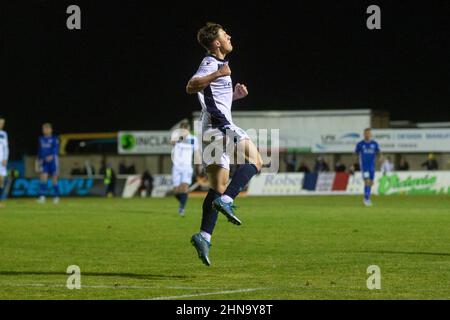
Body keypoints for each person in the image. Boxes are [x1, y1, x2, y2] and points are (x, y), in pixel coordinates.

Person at [185, 22, 263, 266]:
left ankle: (204, 235)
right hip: (220, 127)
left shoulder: (216, 65)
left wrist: (233, 97)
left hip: (209, 129)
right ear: (216, 43)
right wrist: (218, 74)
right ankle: (228, 200)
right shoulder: (212, 63)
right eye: (224, 34)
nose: (229, 36)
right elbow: (191, 86)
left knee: (217, 186)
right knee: (256, 161)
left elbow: (212, 98)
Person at [170, 120, 201, 216]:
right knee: (175, 191)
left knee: (184, 187)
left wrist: (198, 165)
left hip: (187, 167)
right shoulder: (177, 138)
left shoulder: (193, 139)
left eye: (186, 129)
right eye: (182, 129)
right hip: (176, 166)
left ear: (188, 129)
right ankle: (183, 201)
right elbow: (171, 142)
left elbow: (196, 152)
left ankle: (181, 208)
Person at [355, 128, 380, 206]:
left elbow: (378, 152)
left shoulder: (375, 144)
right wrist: (354, 164)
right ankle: (366, 199)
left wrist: (380, 158)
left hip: (372, 166)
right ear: (364, 134)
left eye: (368, 133)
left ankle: (366, 197)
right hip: (364, 166)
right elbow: (356, 154)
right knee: (367, 181)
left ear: (371, 134)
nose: (367, 134)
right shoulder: (360, 144)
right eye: (366, 133)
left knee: (371, 182)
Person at [37, 123, 60, 204]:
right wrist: (39, 160)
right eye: (44, 129)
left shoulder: (54, 138)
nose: (45, 130)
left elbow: (56, 149)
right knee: (43, 177)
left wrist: (52, 156)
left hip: (53, 161)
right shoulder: (41, 139)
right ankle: (42, 196)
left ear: (50, 130)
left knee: (54, 178)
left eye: (46, 129)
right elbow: (40, 150)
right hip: (44, 162)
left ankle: (56, 197)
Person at [0, 116, 9, 207]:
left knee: (2, 180)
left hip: (1, 161)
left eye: (2, 123)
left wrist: (5, 158)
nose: (1, 125)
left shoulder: (4, 134)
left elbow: (6, 147)